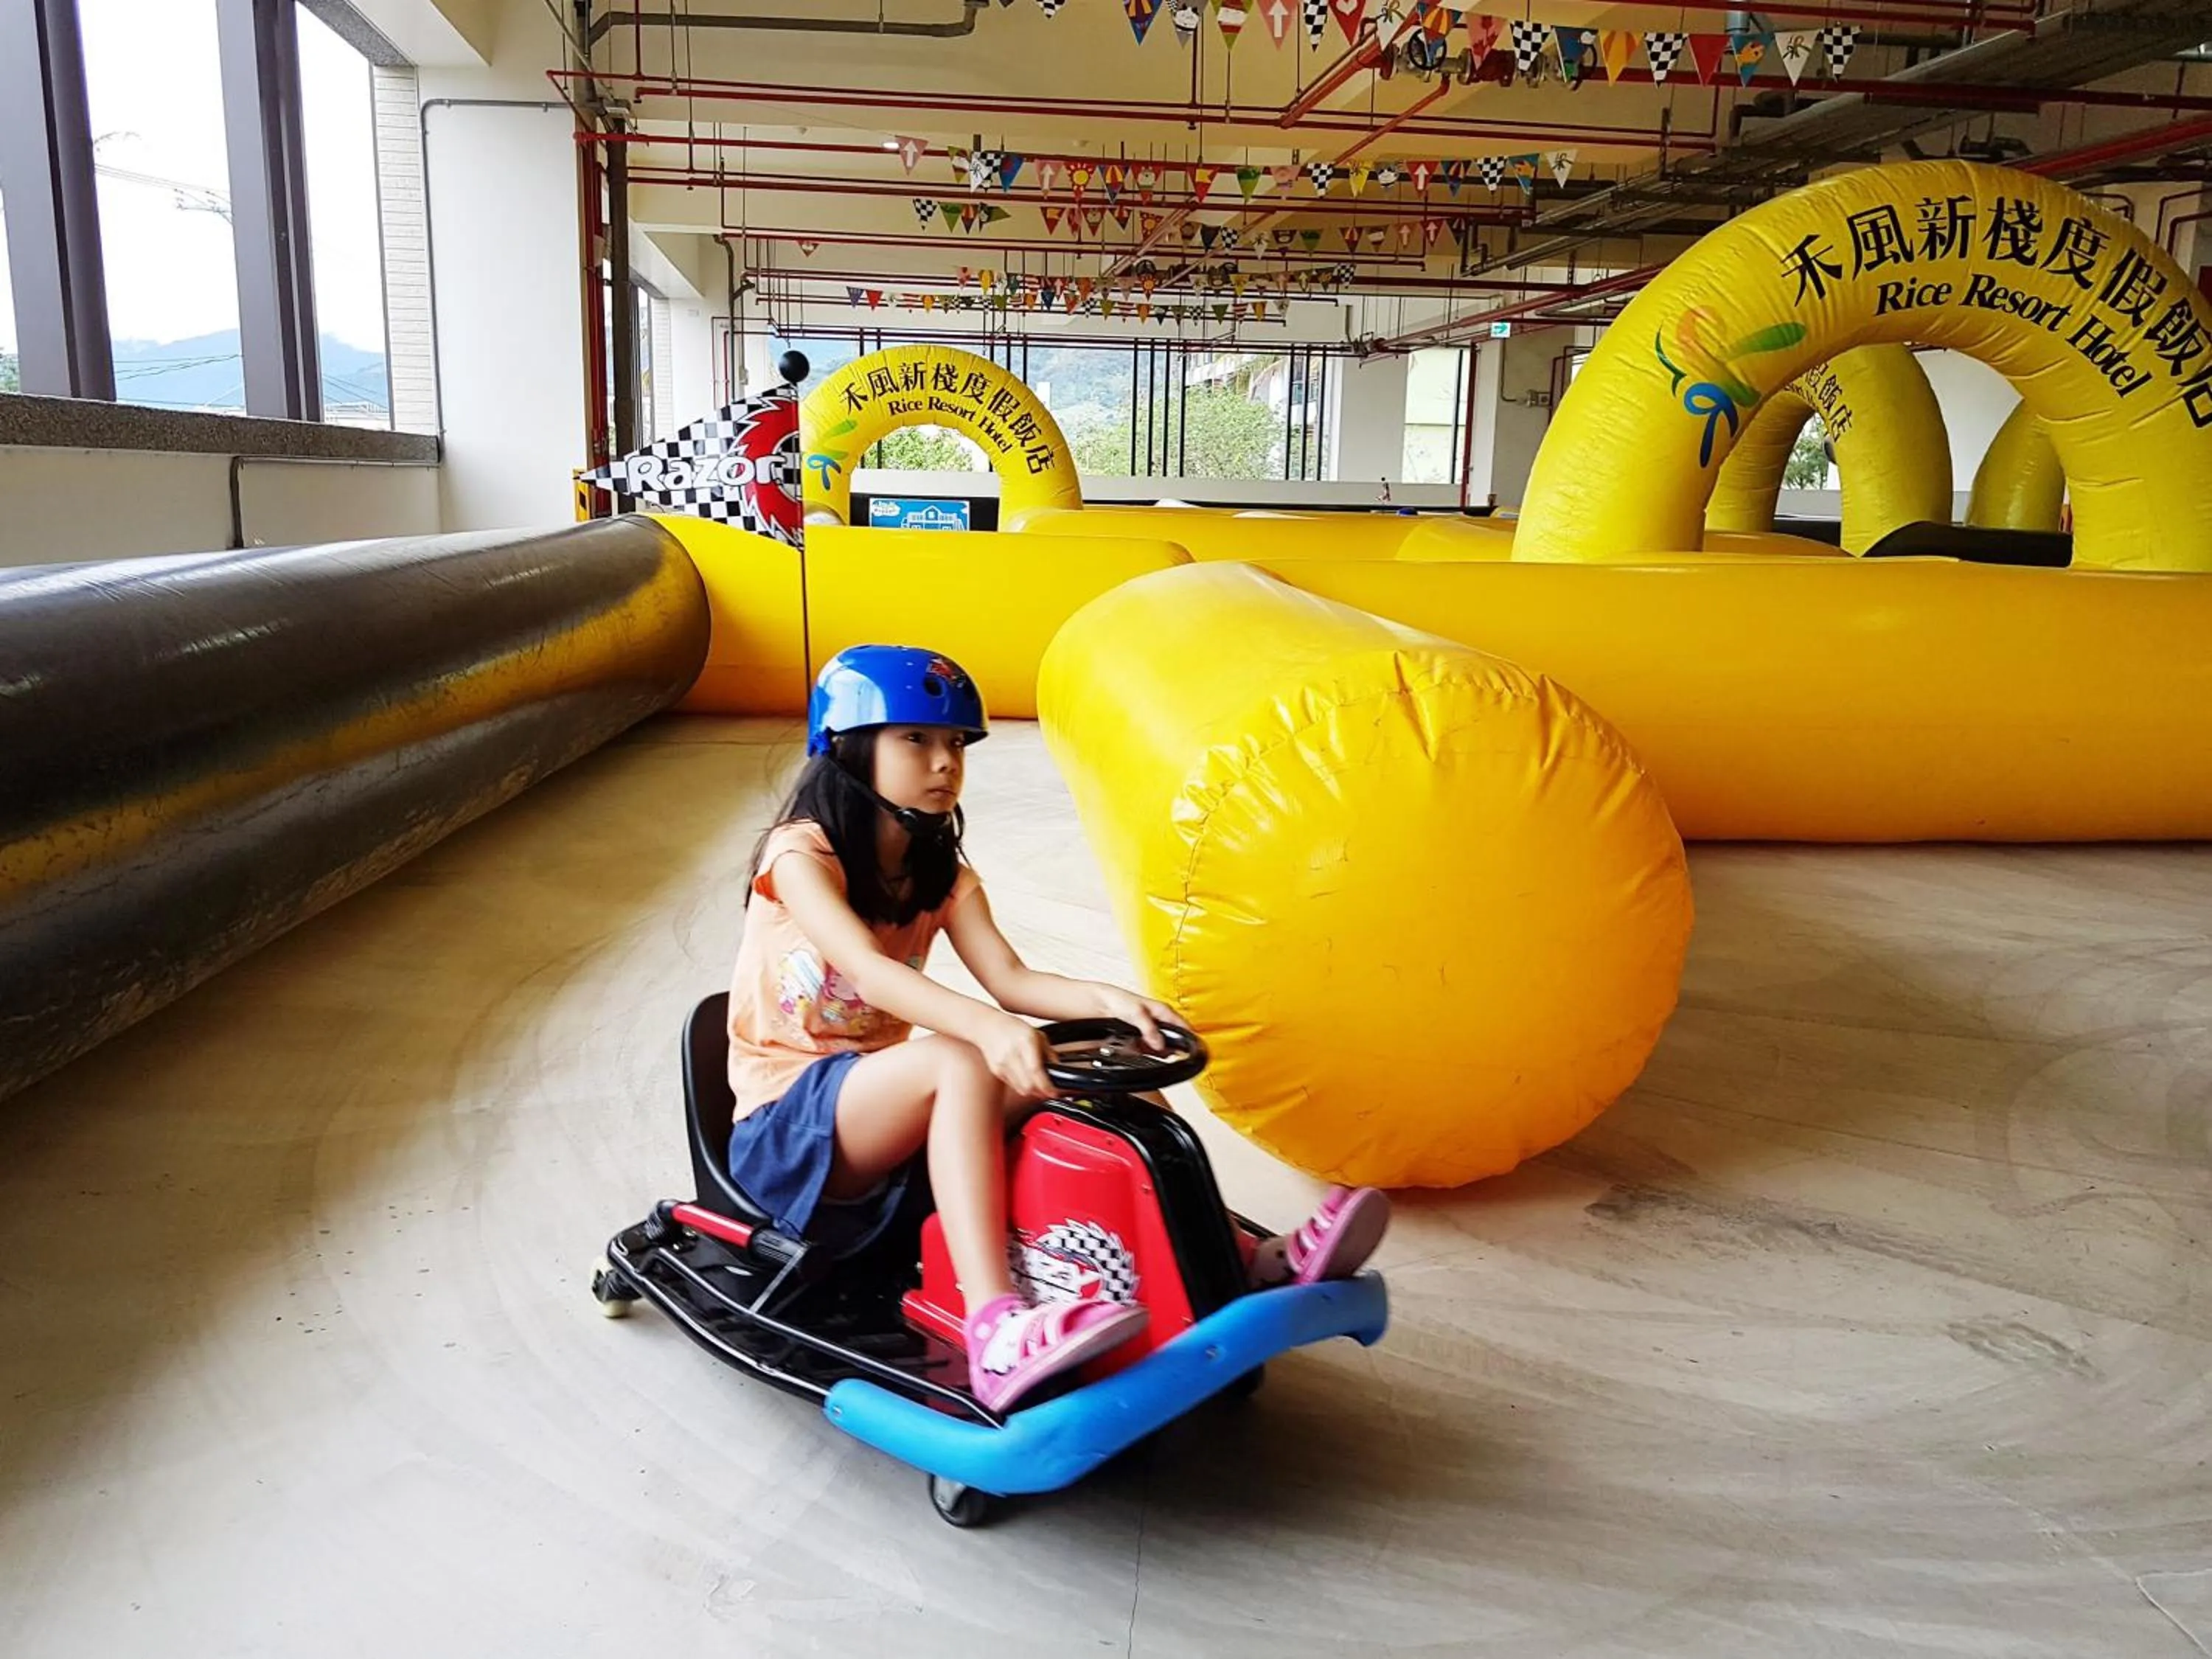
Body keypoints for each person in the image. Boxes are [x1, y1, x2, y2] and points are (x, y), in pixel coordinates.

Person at [726, 645, 1391, 1413]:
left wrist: (1112, 1004)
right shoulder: (801, 853)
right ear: (847, 744)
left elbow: (1010, 980)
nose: (944, 763)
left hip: (885, 1112)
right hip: (790, 1127)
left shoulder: (941, 871)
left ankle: (1238, 1257)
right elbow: (875, 975)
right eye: (916, 739)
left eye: (954, 745)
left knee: (1098, 1056)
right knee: (963, 1058)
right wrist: (988, 1032)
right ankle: (995, 1329)